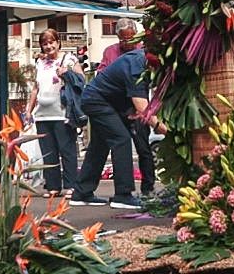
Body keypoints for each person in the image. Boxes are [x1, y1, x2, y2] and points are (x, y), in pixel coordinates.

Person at [71, 43, 152, 210]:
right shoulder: (138, 63)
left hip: (102, 100)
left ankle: (81, 192)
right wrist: (161, 126)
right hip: (97, 100)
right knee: (121, 139)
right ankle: (123, 195)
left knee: (99, 146)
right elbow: (141, 105)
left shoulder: (141, 60)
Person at [98, 18, 157, 198]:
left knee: (144, 148)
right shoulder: (110, 52)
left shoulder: (142, 52)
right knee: (119, 148)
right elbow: (101, 74)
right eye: (124, 40)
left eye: (132, 39)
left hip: (138, 107)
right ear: (118, 37)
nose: (128, 43)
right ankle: (123, 191)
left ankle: (148, 188)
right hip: (117, 108)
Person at [26, 28, 81, 196]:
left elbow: (82, 79)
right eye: (45, 44)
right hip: (42, 115)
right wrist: (29, 109)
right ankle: (53, 187)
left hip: (62, 113)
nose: (48, 46)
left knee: (67, 150)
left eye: (51, 42)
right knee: (48, 152)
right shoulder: (40, 63)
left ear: (58, 43)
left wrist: (67, 72)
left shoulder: (69, 59)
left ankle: (71, 185)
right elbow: (36, 87)